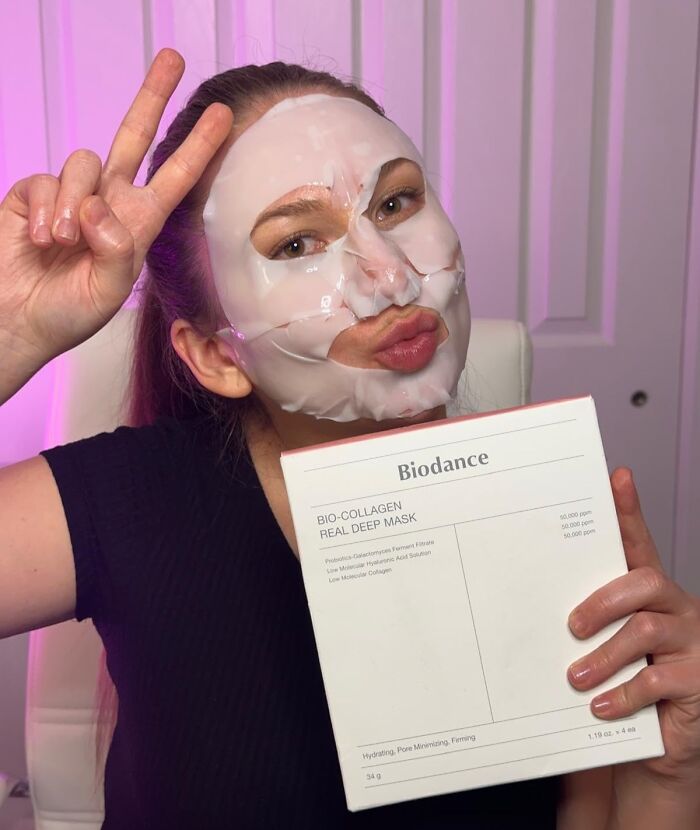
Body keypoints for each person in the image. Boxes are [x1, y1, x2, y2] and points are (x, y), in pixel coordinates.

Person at [0, 47, 699, 829]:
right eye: (297, 244)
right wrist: (8, 335)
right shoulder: (133, 502)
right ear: (217, 356)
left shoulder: (543, 514)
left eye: (395, 203)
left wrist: (669, 774)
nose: (392, 277)